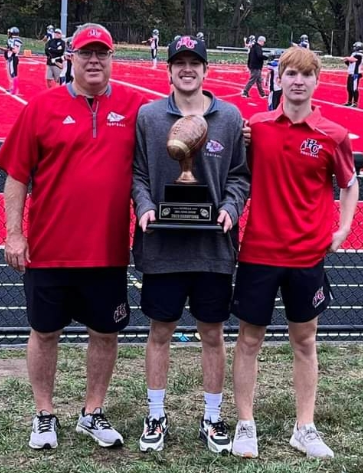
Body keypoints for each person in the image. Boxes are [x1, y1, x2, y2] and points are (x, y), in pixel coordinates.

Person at [0, 22, 146, 450]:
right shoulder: (40, 108)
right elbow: (16, 177)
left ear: (111, 58)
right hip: (49, 249)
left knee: (105, 332)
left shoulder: (136, 106)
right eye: (86, 53)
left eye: (102, 53)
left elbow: (179, 125)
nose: (94, 60)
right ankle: (44, 414)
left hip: (107, 250)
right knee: (44, 332)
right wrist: (14, 233)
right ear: (71, 59)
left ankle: (92, 411)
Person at [231, 47, 358, 459]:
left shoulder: (333, 135)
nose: (298, 81)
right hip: (259, 252)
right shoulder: (257, 126)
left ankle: (304, 427)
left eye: (306, 75)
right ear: (278, 79)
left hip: (306, 256)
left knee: (305, 341)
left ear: (317, 81)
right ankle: (245, 424)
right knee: (249, 340)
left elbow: (349, 183)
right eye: (290, 74)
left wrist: (341, 228)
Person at [132, 35, 251, 454]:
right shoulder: (148, 116)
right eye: (179, 62)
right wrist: (145, 206)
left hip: (213, 247)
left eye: (194, 62)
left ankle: (213, 419)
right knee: (160, 331)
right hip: (162, 245)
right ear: (169, 70)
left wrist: (232, 208)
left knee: (213, 334)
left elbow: (239, 174)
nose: (187, 69)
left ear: (205, 69)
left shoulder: (231, 118)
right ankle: (156, 415)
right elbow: (139, 173)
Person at [342, 41, 363, 108]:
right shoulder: (354, 53)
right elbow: (350, 63)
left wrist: (347, 58)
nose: (354, 48)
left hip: (355, 74)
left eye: (355, 47)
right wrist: (347, 61)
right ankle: (349, 101)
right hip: (351, 73)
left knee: (354, 88)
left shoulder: (360, 55)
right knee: (349, 88)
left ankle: (355, 103)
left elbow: (353, 59)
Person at [4, 27, 22, 95]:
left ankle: (15, 90)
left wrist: (9, 47)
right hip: (10, 58)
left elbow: (15, 50)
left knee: (13, 74)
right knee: (11, 74)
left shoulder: (17, 41)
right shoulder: (11, 40)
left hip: (13, 58)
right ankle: (12, 87)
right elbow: (8, 49)